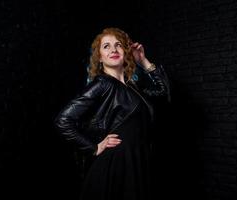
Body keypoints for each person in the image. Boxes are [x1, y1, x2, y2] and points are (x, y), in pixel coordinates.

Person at [54, 27, 170, 200]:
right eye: (106, 46)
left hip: (138, 161)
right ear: (99, 57)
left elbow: (163, 94)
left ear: (126, 51)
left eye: (118, 45)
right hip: (116, 165)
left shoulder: (132, 87)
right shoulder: (102, 83)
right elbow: (63, 120)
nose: (113, 50)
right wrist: (94, 147)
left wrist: (143, 61)